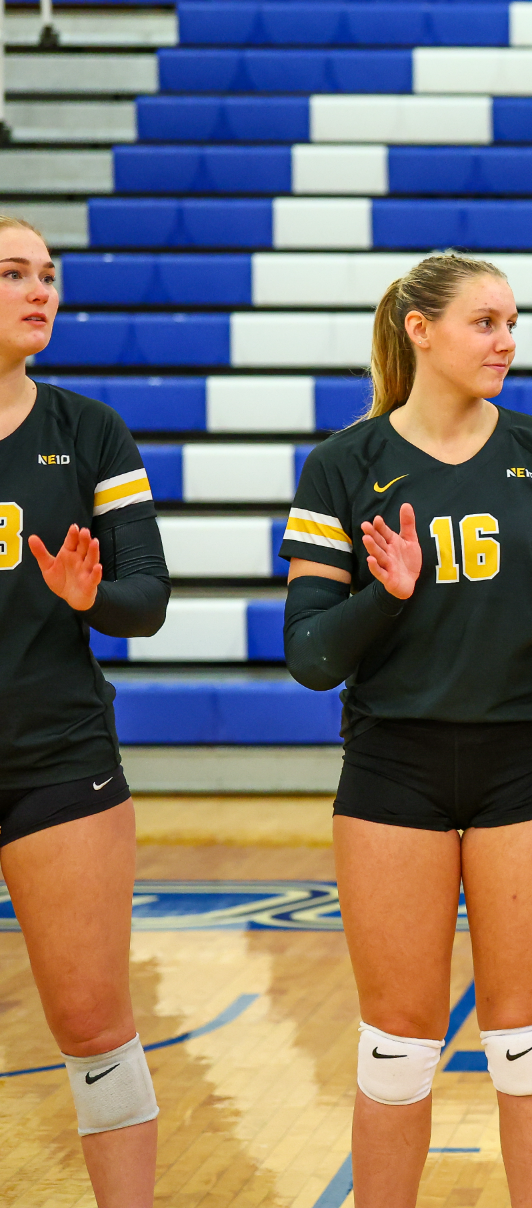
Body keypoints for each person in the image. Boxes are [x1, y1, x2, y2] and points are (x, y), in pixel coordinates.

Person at [279, 253, 532, 1208]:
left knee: (526, 1042)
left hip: (526, 763)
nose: (507, 339)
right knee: (396, 1048)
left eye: (512, 321)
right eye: (485, 321)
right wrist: (386, 598)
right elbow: (310, 654)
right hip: (394, 768)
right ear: (418, 329)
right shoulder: (344, 464)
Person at [0, 215, 169, 1206]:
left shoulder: (90, 430)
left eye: (49, 274)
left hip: (59, 761)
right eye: (14, 272)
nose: (41, 289)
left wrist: (87, 597)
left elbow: (144, 598)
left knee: (95, 1024)